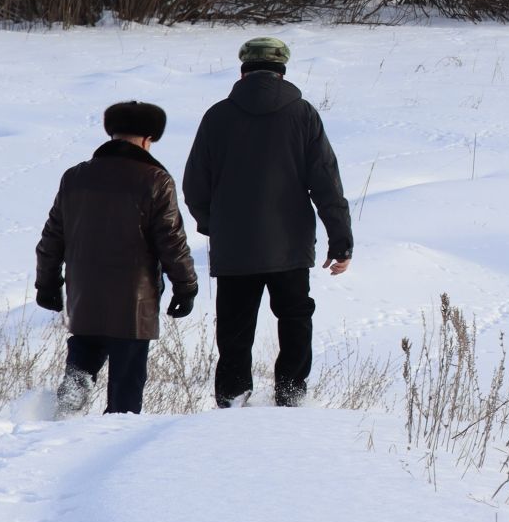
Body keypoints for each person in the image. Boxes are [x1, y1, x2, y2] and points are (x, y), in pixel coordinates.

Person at [184, 36, 353, 408]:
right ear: (283, 71)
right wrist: (340, 239)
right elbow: (325, 180)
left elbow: (195, 184)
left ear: (243, 71)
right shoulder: (303, 114)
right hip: (290, 245)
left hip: (234, 248)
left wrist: (217, 225)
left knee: (234, 329)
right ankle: (291, 395)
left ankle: (232, 399)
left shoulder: (217, 116)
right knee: (294, 318)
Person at [35, 101, 199, 415]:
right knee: (125, 391)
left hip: (85, 295)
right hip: (133, 303)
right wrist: (185, 287)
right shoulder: (155, 180)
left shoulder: (75, 177)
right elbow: (171, 241)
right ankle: (114, 452)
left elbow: (52, 238)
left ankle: (55, 426)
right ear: (149, 139)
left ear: (112, 134)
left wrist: (47, 284)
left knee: (79, 373)